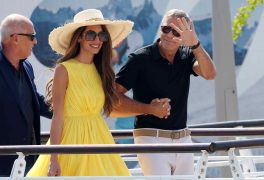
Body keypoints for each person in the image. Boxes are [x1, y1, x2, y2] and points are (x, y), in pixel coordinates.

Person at [27, 9, 169, 177]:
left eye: (101, 36)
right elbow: (58, 117)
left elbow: (113, 107)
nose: (97, 40)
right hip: (71, 142)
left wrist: (150, 108)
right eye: (90, 35)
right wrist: (54, 158)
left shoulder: (101, 70)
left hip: (100, 141)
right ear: (79, 37)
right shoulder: (64, 69)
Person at [116, 9, 216, 176]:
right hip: (150, 139)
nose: (169, 35)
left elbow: (210, 74)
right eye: (166, 29)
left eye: (176, 32)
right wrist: (150, 109)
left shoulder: (187, 56)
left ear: (185, 36)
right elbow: (113, 97)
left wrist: (195, 44)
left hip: (184, 139)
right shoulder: (140, 59)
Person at [0, 14, 52, 176]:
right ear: (15, 38)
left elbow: (33, 100)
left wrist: (65, 111)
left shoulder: (27, 66)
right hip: (3, 161)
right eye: (32, 37)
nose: (35, 42)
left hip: (28, 160)